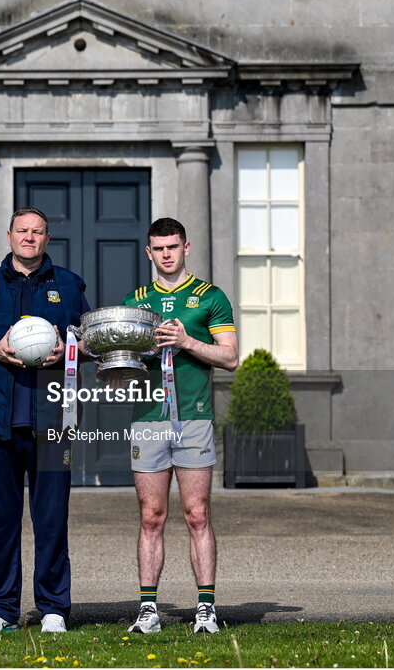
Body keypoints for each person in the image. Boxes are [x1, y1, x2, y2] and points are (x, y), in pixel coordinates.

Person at [0, 207, 90, 634]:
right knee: (0, 520)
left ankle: (52, 609)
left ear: (47, 239)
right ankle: (0, 610)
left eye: (38, 232)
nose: (30, 238)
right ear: (9, 236)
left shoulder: (68, 285)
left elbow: (92, 343)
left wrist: (66, 348)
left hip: (53, 422)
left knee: (51, 519)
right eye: (22, 231)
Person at [120, 217, 238, 634]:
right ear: (148, 252)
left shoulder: (210, 297)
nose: (166, 254)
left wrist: (187, 342)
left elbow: (230, 357)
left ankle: (206, 609)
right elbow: (121, 369)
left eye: (173, 246)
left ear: (186, 247)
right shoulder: (134, 300)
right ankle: (148, 611)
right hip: (147, 419)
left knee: (197, 514)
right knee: (151, 515)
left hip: (193, 417)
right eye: (159, 248)